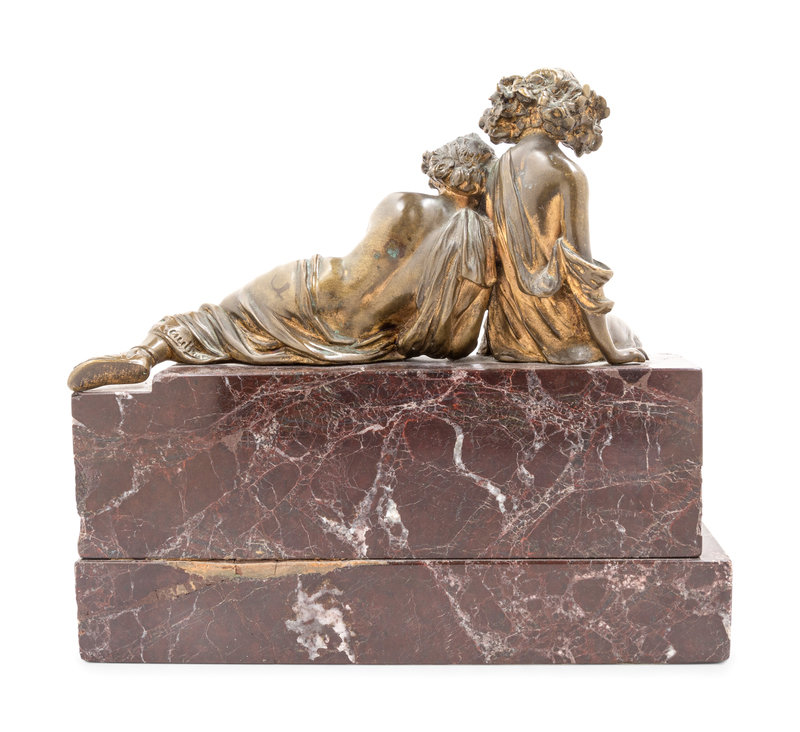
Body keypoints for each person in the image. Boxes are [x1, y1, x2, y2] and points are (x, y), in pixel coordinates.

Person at [68, 134, 497, 391]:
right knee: (223, 326)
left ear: (443, 168)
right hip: (370, 341)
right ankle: (143, 356)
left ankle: (144, 354)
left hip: (308, 289)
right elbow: (457, 345)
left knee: (217, 320)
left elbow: (366, 270)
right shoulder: (481, 245)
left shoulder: (403, 204)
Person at [479, 69, 646, 364]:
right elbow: (582, 268)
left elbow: (492, 256)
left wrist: (490, 339)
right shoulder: (566, 173)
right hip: (560, 335)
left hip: (509, 335)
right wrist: (612, 352)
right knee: (625, 332)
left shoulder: (496, 168)